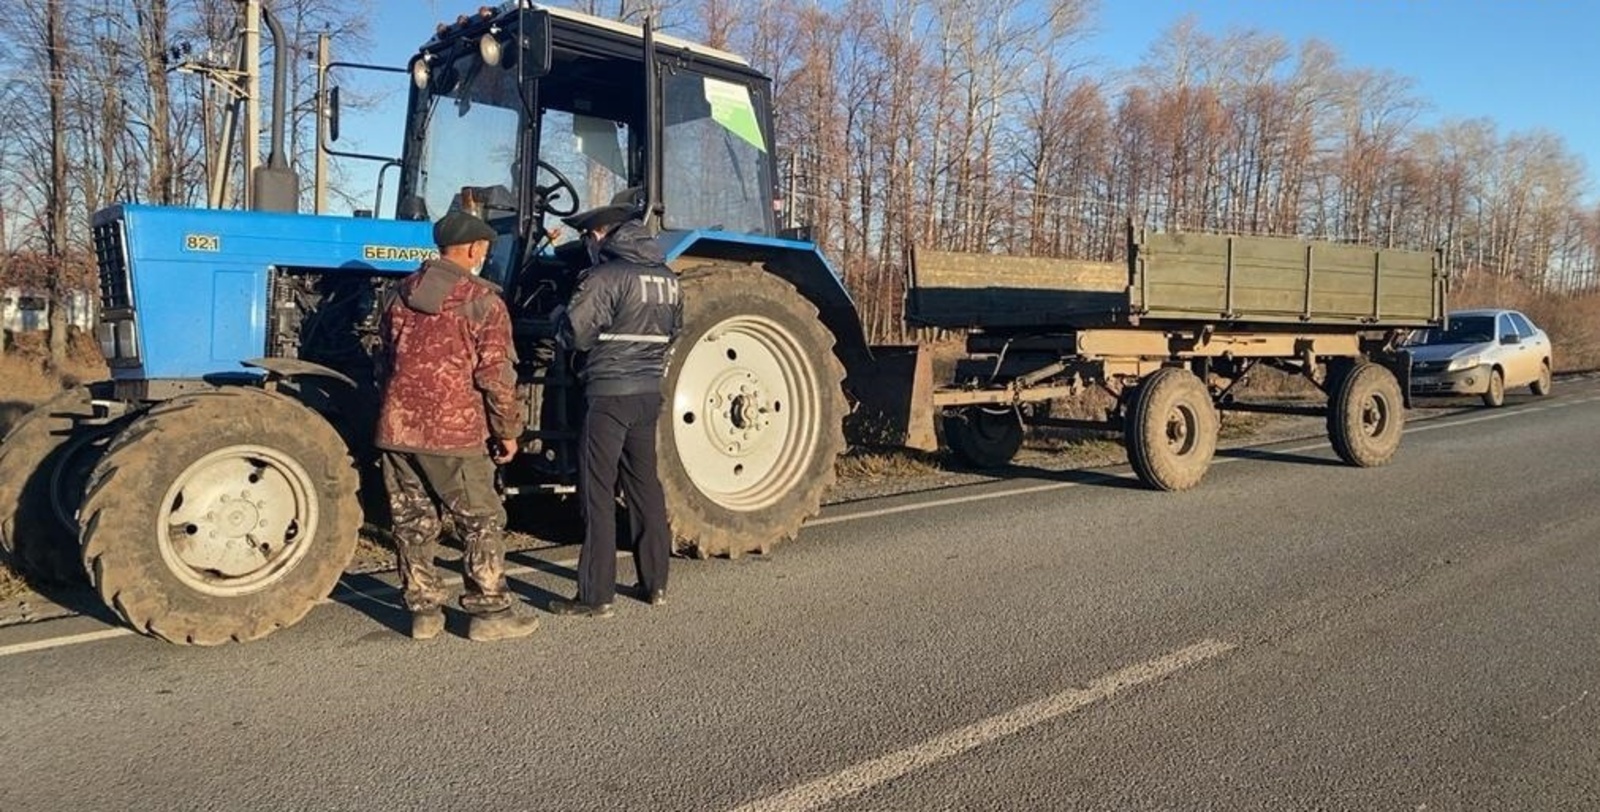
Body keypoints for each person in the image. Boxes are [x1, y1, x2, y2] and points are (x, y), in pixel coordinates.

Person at [375, 210, 538, 642]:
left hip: (398, 428)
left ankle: (423, 613)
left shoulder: (396, 295)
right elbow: (495, 376)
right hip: (456, 432)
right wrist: (508, 430)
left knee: (412, 521)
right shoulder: (483, 301)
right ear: (474, 248)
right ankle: (490, 613)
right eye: (484, 247)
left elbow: (383, 360)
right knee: (481, 519)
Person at [548, 195, 682, 618]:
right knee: (646, 488)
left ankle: (595, 595)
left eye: (587, 235)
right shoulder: (668, 278)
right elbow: (674, 332)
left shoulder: (603, 276)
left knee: (598, 492)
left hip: (608, 395)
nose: (586, 243)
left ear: (600, 234)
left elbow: (576, 334)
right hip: (647, 394)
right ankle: (655, 584)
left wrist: (556, 318)